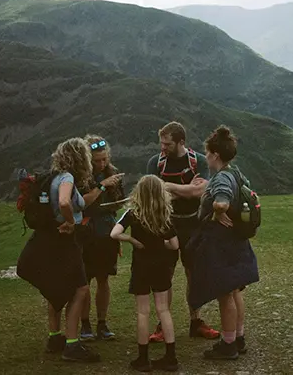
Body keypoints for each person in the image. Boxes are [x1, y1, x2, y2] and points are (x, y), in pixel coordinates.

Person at [16, 137, 101, 363]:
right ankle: (72, 345)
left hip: (46, 238)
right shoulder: (67, 177)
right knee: (81, 289)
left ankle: (55, 337)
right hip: (64, 241)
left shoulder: (52, 177)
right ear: (81, 158)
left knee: (55, 287)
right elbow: (64, 202)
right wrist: (70, 223)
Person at [187, 125, 259, 360]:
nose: (205, 157)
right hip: (235, 241)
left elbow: (221, 202)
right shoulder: (236, 172)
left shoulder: (221, 178)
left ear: (215, 154)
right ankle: (238, 338)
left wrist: (218, 211)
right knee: (235, 290)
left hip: (221, 243)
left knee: (225, 294)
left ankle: (228, 345)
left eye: (207, 153)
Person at [146, 121, 220, 341]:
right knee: (164, 275)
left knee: (193, 274)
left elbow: (201, 191)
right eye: (161, 143)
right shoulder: (155, 162)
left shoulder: (197, 161)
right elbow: (152, 194)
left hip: (193, 225)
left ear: (181, 142)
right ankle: (162, 325)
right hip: (165, 226)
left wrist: (168, 187)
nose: (163, 148)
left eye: (167, 144)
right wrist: (186, 190)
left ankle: (196, 321)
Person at [110, 175, 180, 372]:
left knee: (143, 312)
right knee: (163, 309)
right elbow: (174, 245)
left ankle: (143, 359)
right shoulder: (164, 215)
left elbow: (114, 234)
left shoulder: (133, 214)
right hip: (161, 266)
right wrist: (162, 244)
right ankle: (170, 357)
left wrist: (133, 241)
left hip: (141, 266)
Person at [78, 135, 125, 342]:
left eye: (104, 159)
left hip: (106, 231)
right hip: (86, 232)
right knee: (84, 281)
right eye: (97, 160)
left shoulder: (112, 172)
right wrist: (103, 186)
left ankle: (102, 323)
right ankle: (85, 324)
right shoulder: (80, 175)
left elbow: (118, 203)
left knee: (103, 278)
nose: (101, 163)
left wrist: (118, 199)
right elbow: (81, 203)